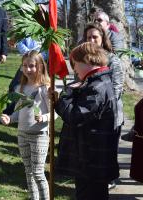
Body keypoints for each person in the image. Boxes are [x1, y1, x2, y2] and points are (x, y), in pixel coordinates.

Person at [52, 42, 120, 200]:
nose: (73, 69)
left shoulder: (97, 87)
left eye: (74, 64)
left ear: (87, 61)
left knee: (90, 195)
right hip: (90, 159)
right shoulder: (96, 83)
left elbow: (75, 116)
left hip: (91, 160)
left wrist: (65, 96)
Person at [1, 50, 50, 200]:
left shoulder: (44, 88)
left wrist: (43, 117)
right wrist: (10, 118)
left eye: (32, 66)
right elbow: (18, 112)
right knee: (28, 172)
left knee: (38, 172)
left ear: (40, 66)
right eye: (25, 66)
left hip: (39, 136)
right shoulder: (20, 88)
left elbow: (55, 113)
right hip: (22, 134)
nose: (28, 69)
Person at [83, 22, 124, 190]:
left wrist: (100, 109)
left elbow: (117, 88)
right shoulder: (82, 58)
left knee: (108, 150)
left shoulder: (112, 59)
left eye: (95, 37)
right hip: (88, 114)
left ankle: (109, 179)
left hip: (110, 115)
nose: (92, 40)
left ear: (102, 38)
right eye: (88, 37)